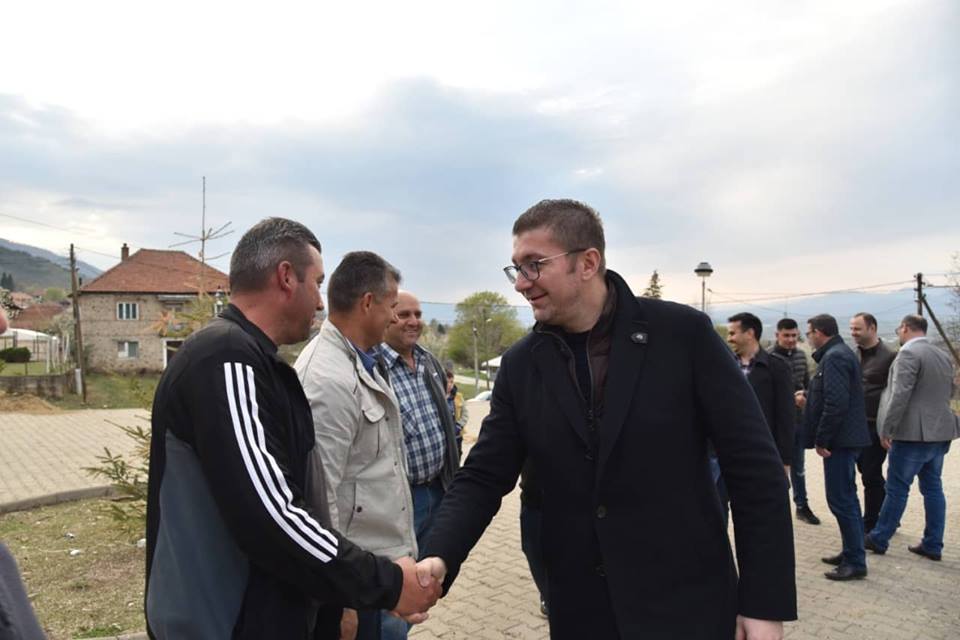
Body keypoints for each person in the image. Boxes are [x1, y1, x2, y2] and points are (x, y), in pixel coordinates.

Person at [418, 199, 796, 639]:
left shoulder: (683, 336)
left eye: (533, 265)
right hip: (582, 609)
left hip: (685, 603)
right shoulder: (522, 365)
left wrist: (763, 604)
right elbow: (484, 474)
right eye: (515, 269)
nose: (520, 283)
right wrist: (439, 554)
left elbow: (754, 468)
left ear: (587, 262)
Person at [145, 221, 439, 640]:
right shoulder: (226, 358)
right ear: (286, 277)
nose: (320, 302)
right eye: (316, 283)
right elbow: (273, 515)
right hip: (226, 622)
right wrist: (385, 584)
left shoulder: (258, 362)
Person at [294, 252, 418, 640]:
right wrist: (340, 599)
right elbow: (319, 498)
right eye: (392, 306)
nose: (395, 318)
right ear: (367, 303)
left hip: (377, 573)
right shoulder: (326, 380)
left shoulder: (360, 361)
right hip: (358, 585)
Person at [865, 314, 960, 561]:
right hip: (940, 432)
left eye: (899, 329)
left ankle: (879, 538)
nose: (899, 333)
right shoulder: (942, 354)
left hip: (912, 434)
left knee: (897, 488)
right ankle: (933, 544)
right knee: (933, 488)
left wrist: (887, 428)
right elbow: (951, 390)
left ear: (905, 328)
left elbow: (900, 394)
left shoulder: (908, 354)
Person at [803, 314, 871, 581]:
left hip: (841, 442)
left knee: (841, 500)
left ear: (819, 332)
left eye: (809, 333)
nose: (808, 338)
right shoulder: (838, 354)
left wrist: (823, 439)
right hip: (844, 439)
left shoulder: (835, 357)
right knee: (847, 498)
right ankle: (851, 551)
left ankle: (855, 561)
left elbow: (836, 403)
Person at [726, 312, 795, 471]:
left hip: (762, 452)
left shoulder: (777, 368)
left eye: (732, 333)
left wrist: (784, 459)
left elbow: (785, 415)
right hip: (727, 452)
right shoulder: (725, 366)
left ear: (750, 333)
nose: (729, 339)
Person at [770, 318, 820, 525]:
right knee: (775, 467)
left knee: (798, 467)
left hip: (798, 421)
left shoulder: (801, 356)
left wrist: (805, 396)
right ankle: (775, 506)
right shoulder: (768, 358)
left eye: (794, 335)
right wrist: (790, 399)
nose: (791, 339)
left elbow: (806, 384)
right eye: (786, 335)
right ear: (777, 335)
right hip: (775, 424)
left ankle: (801, 505)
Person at [849, 312, 896, 532]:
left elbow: (895, 393)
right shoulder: (852, 354)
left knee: (871, 474)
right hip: (854, 424)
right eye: (851, 328)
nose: (853, 333)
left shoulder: (890, 356)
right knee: (865, 471)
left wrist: (890, 427)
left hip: (875, 425)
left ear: (872, 328)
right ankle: (888, 515)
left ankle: (871, 523)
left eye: (857, 328)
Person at [445, 369, 469, 458]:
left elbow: (465, 414)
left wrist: (459, 426)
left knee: (457, 455)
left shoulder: (458, 396)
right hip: (444, 437)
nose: (449, 385)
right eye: (447, 382)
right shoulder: (438, 398)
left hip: (457, 436)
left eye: (451, 382)